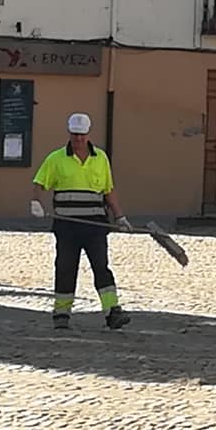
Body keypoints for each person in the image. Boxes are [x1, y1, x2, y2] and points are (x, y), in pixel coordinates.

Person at [30, 112, 132, 331]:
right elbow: (39, 183)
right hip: (66, 225)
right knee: (66, 268)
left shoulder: (101, 158)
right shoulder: (56, 159)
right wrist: (36, 202)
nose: (78, 139)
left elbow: (108, 190)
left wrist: (120, 216)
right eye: (75, 135)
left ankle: (112, 312)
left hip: (95, 225)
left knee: (101, 268)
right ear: (69, 133)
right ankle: (61, 314)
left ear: (88, 135)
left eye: (82, 135)